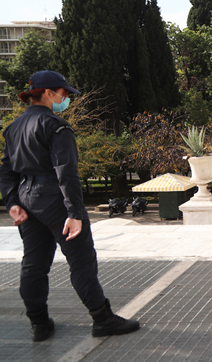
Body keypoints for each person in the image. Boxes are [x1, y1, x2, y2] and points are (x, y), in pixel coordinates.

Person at [0, 70, 140, 342]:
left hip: (26, 197)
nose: (66, 98)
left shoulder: (13, 127)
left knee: (34, 263)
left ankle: (39, 323)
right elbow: (66, 172)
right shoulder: (56, 126)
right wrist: (74, 213)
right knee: (81, 262)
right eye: (63, 93)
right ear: (48, 93)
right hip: (54, 197)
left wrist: (12, 202)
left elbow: (6, 171)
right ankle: (102, 318)